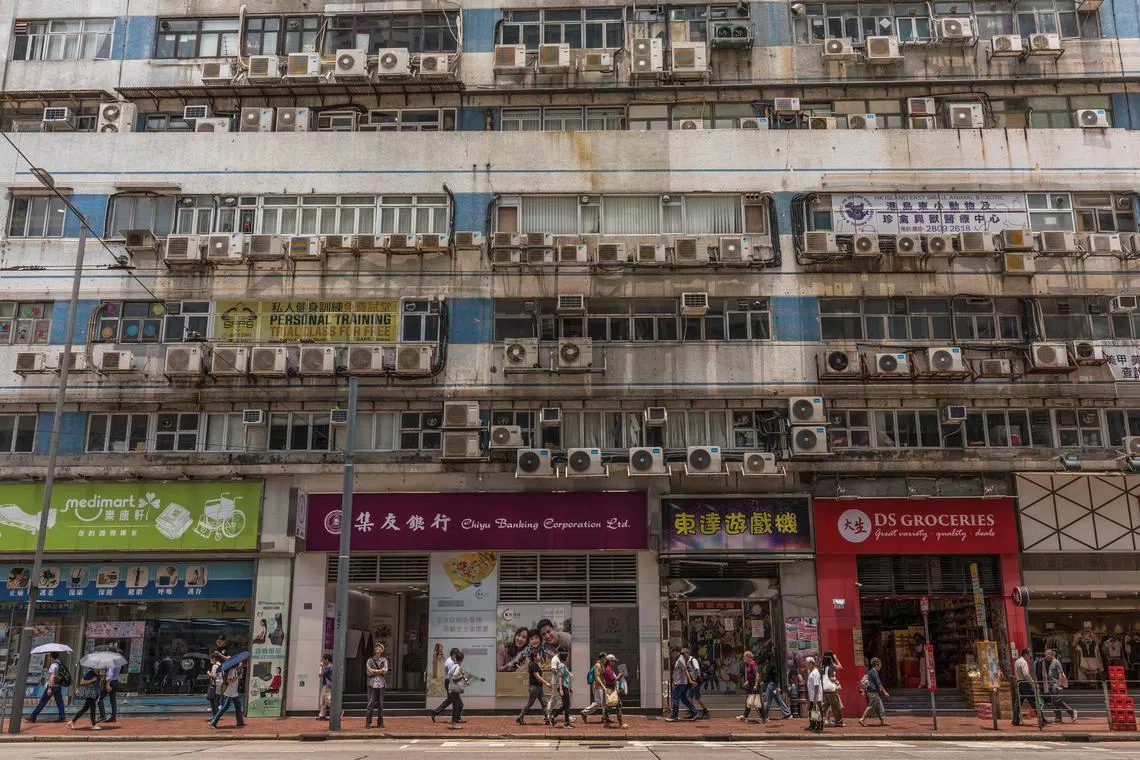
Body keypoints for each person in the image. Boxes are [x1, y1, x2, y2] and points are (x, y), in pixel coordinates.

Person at [516, 648, 551, 725]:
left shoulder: (534, 664)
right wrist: (546, 683)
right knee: (530, 703)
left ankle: (547, 718)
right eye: (538, 656)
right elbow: (537, 676)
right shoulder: (533, 665)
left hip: (539, 687)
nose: (539, 657)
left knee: (544, 703)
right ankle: (520, 717)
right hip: (534, 688)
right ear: (534, 657)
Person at [29, 652, 66, 723]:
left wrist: (49, 688)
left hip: (52, 686)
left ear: (51, 657)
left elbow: (52, 676)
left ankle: (33, 716)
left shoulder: (54, 665)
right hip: (58, 685)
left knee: (43, 701)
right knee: (59, 702)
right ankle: (62, 716)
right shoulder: (60, 664)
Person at [1013, 648, 1045, 728]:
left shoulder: (1017, 661)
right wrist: (1032, 682)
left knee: (1018, 702)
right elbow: (1026, 674)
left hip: (1019, 683)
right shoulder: (1023, 662)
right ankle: (1042, 719)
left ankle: (1015, 720)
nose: (1030, 657)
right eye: (1029, 655)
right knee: (1033, 701)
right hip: (1025, 683)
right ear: (1026, 654)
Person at [665, 646, 699, 722]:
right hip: (680, 682)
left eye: (671, 653)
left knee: (675, 698)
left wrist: (690, 680)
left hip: (680, 683)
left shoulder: (680, 659)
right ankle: (694, 712)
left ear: (675, 651)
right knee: (683, 698)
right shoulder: (679, 659)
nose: (671, 655)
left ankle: (674, 716)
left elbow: (685, 670)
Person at [430, 648, 462, 722]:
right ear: (453, 654)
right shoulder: (450, 662)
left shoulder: (452, 661)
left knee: (451, 700)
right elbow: (453, 674)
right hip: (450, 682)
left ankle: (435, 712)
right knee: (457, 702)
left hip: (450, 682)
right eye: (456, 655)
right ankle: (455, 719)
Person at [1045, 649, 1077, 724]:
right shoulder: (1051, 662)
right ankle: (1058, 717)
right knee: (1054, 702)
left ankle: (1072, 712)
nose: (1046, 656)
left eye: (1047, 654)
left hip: (1056, 684)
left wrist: (1060, 685)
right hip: (1051, 684)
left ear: (1051, 654)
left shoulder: (1056, 662)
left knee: (1057, 700)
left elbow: (1060, 674)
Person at [545, 645, 574, 728]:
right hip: (558, 683)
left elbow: (563, 673)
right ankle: (552, 716)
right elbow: (555, 671)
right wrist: (561, 687)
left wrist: (568, 676)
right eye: (565, 654)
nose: (567, 656)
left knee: (560, 701)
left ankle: (553, 716)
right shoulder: (555, 660)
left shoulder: (561, 663)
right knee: (561, 701)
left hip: (562, 684)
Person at [210, 664, 246, 729]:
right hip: (229, 693)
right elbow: (228, 680)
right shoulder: (231, 671)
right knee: (224, 708)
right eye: (239, 664)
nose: (240, 664)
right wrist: (235, 678)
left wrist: (240, 674)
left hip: (234, 692)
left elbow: (240, 677)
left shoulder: (236, 670)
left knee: (238, 707)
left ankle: (240, 722)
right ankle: (213, 722)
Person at [859, 657, 889, 727]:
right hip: (872, 692)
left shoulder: (872, 672)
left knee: (880, 706)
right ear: (876, 664)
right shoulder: (874, 672)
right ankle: (862, 719)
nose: (881, 666)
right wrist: (885, 692)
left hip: (874, 692)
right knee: (871, 706)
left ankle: (882, 721)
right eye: (880, 664)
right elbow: (879, 683)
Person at [580, 653, 609, 724]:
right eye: (605, 658)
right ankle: (584, 712)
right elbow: (597, 677)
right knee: (598, 702)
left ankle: (605, 717)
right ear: (602, 658)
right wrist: (602, 686)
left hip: (601, 686)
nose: (606, 660)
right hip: (598, 686)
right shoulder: (598, 665)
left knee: (604, 703)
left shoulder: (601, 665)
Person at [365, 643, 389, 729]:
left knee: (380, 704)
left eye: (379, 647)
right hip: (372, 684)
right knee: (370, 704)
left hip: (381, 684)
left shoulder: (384, 660)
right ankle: (368, 722)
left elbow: (385, 671)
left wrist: (374, 671)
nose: (377, 648)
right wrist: (380, 671)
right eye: (376, 647)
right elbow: (369, 672)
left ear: (382, 650)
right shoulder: (370, 660)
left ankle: (380, 722)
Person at [602, 653, 628, 729]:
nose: (615, 663)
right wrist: (620, 675)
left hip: (609, 690)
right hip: (611, 690)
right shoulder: (608, 669)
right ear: (610, 661)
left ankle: (606, 723)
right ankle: (620, 724)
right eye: (614, 661)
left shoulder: (607, 669)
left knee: (608, 706)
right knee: (618, 705)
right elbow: (613, 680)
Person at [738, 650, 763, 723]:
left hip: (754, 685)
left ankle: (764, 717)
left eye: (744, 656)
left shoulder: (752, 663)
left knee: (757, 702)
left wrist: (756, 685)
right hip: (750, 685)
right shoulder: (748, 664)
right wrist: (747, 682)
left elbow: (757, 675)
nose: (743, 658)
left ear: (748, 657)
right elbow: (751, 676)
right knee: (749, 701)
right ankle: (745, 716)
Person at [685, 647, 710, 719]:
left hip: (696, 682)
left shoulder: (693, 660)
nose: (684, 654)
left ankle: (705, 711)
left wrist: (695, 680)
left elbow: (697, 670)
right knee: (690, 696)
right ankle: (693, 711)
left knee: (697, 697)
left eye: (685, 652)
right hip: (693, 681)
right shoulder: (687, 661)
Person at [445, 652, 468, 730]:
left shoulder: (453, 666)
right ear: (462, 660)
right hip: (455, 690)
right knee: (456, 706)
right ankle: (454, 724)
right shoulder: (457, 667)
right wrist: (461, 676)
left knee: (458, 705)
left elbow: (449, 674)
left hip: (452, 688)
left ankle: (454, 721)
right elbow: (454, 677)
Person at [821, 651, 845, 727]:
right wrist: (836, 682)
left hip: (825, 689)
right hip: (831, 689)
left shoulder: (823, 666)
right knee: (836, 706)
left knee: (824, 707)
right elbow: (840, 668)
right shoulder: (831, 666)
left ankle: (817, 719)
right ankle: (839, 721)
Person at [97, 656, 121, 724]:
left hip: (110, 682)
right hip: (115, 682)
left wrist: (107, 683)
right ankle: (113, 717)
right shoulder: (119, 663)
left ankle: (103, 716)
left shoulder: (112, 663)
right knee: (113, 700)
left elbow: (110, 674)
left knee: (99, 698)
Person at [805, 657, 824, 733]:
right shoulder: (811, 672)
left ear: (811, 664)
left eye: (807, 663)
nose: (806, 665)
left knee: (817, 711)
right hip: (812, 696)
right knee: (812, 711)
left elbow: (816, 686)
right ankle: (812, 725)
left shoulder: (815, 673)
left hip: (816, 697)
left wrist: (815, 698)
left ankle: (819, 727)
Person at [206, 652, 224, 717]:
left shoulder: (215, 666)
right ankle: (216, 715)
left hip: (215, 685)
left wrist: (208, 673)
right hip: (220, 684)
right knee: (216, 700)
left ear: (214, 658)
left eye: (211, 659)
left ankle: (215, 716)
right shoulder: (221, 665)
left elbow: (214, 676)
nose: (210, 661)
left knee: (213, 701)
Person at [316, 654, 333, 720]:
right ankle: (322, 715)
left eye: (323, 659)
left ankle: (336, 712)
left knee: (327, 700)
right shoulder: (330, 666)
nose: (322, 661)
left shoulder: (329, 666)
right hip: (327, 685)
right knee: (324, 700)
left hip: (327, 686)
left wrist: (321, 666)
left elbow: (320, 674)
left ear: (327, 660)